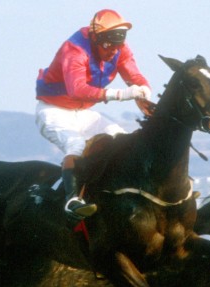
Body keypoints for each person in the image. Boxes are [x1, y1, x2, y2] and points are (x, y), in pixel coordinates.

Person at [35, 9, 152, 220]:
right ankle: (72, 201)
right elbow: (77, 89)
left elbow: (135, 77)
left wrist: (144, 92)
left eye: (117, 46)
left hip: (82, 112)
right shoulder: (75, 50)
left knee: (120, 137)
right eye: (107, 46)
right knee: (76, 145)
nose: (112, 52)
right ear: (95, 38)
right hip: (53, 111)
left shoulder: (118, 49)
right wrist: (122, 94)